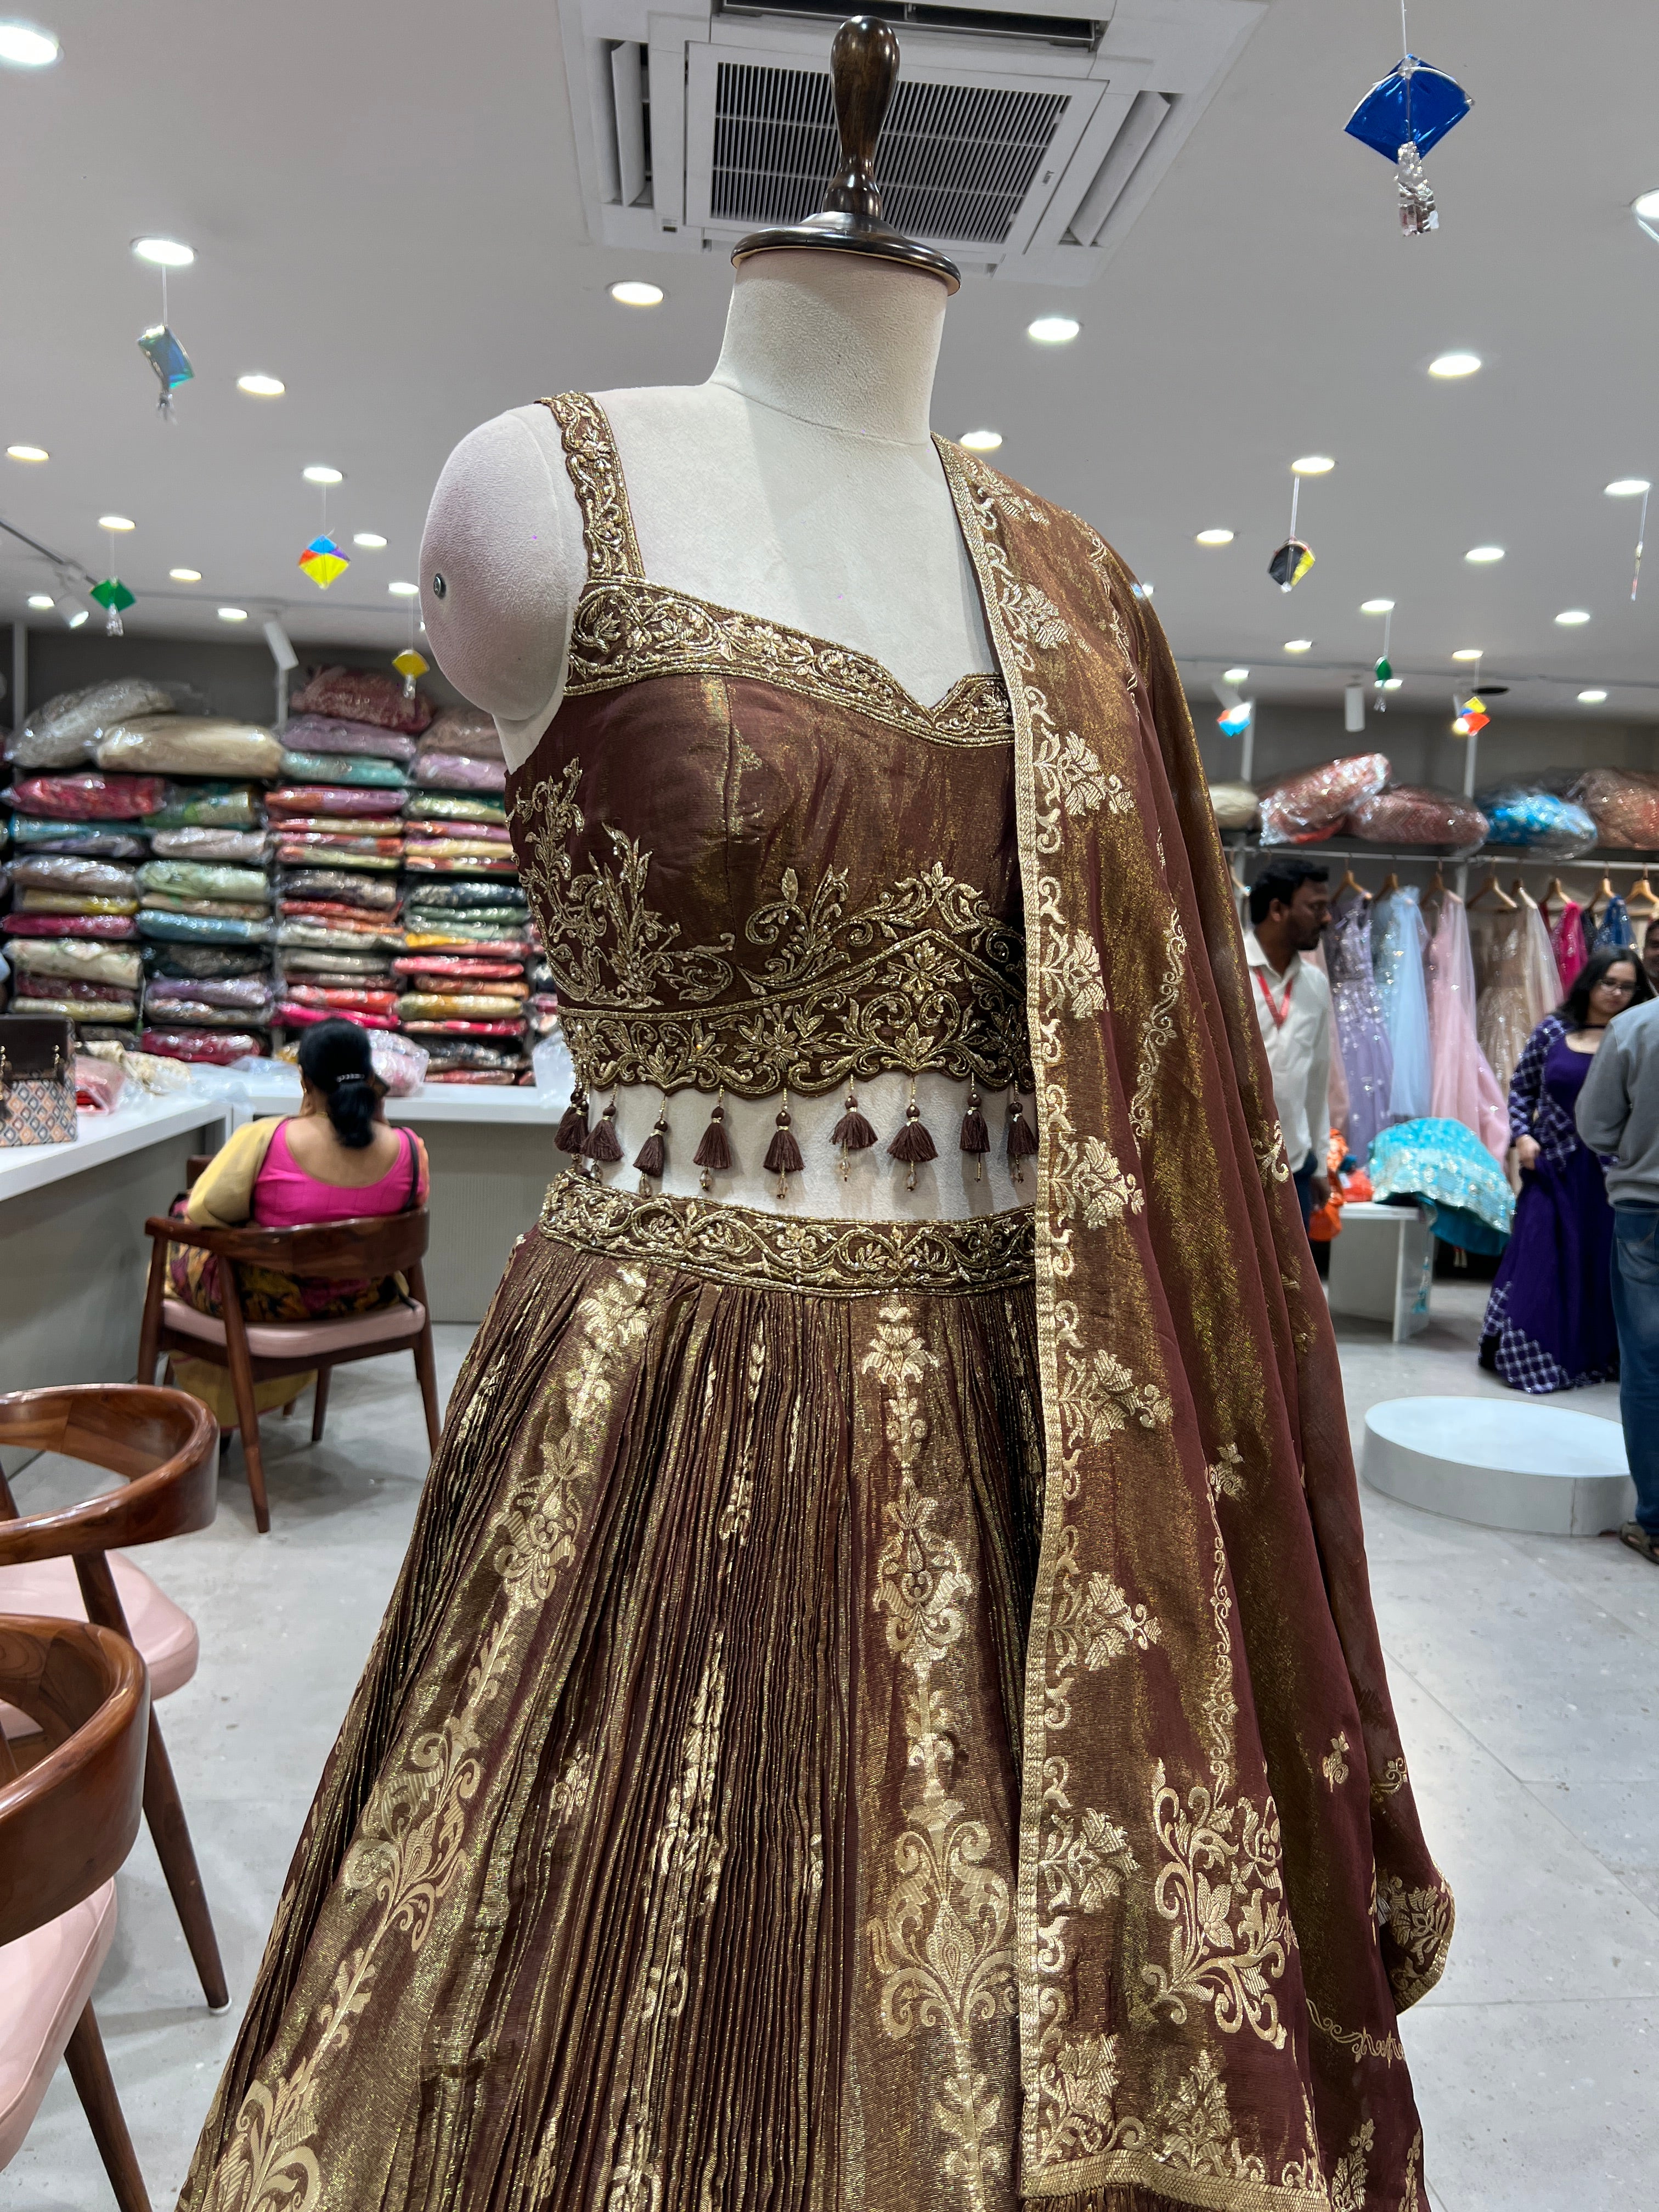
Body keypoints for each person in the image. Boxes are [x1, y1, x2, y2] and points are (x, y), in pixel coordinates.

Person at [180, 52, 1447, 2207]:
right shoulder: (540, 491)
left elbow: (1171, 1094)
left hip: (1019, 1413)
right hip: (655, 1388)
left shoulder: (1075, 588)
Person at [168, 1020, 430, 1429]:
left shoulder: (267, 1138)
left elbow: (204, 1213)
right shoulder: (409, 1150)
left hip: (268, 1308)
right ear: (370, 1078)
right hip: (365, 1298)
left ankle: (213, 1415)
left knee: (179, 1230)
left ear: (305, 1079)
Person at [1479, 949, 1651, 1392]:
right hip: (1550, 1170)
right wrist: (1522, 1135)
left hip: (1608, 1178)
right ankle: (1530, 1358)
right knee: (1540, 1258)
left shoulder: (1635, 1035)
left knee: (1594, 1265)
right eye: (1608, 982)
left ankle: (1593, 1360)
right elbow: (1521, 1087)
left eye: (1626, 986)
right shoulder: (1553, 1031)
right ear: (1590, 982)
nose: (1615, 993)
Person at [1576, 966, 1659, 1563]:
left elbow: (1596, 1126)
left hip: (1646, 1210)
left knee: (1648, 1368)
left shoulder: (1634, 1028)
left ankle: (1655, 1522)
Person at [1245, 854, 1334, 1227]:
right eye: (1315, 908)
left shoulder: (1314, 984)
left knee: (1293, 1284)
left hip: (1293, 1165)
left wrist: (1321, 1163)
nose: (1326, 918)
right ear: (1278, 909)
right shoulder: (1226, 973)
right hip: (1235, 1165)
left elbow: (1317, 1078)